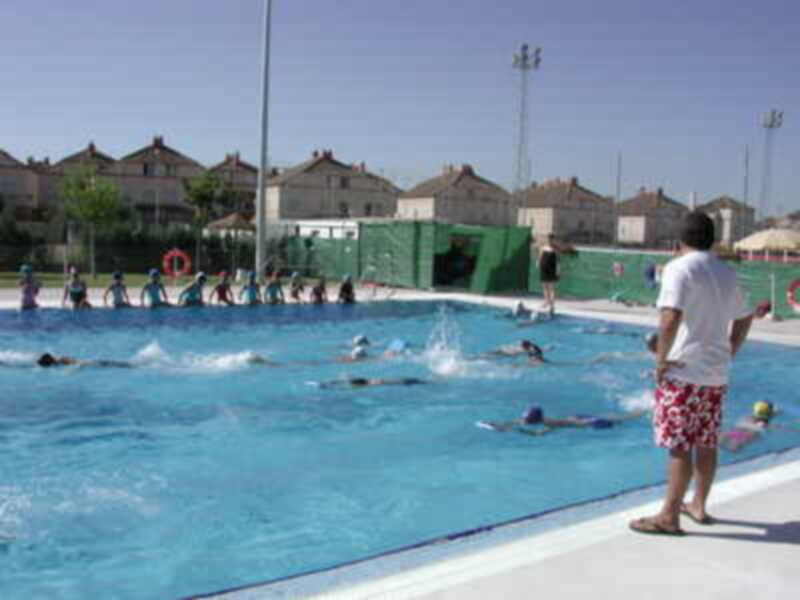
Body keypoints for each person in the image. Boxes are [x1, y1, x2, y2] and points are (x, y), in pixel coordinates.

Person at [630, 211, 753, 536]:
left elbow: (670, 317)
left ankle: (669, 516)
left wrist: (661, 359)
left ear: (678, 242)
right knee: (706, 441)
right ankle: (698, 505)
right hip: (715, 373)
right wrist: (730, 350)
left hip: (683, 371)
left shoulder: (678, 268)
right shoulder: (726, 272)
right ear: (711, 239)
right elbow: (745, 317)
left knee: (679, 444)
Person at [477, 404, 646, 435]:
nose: (524, 421)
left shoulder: (548, 423)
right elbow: (515, 423)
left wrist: (522, 432)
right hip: (578, 418)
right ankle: (643, 409)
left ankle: (645, 410)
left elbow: (540, 434)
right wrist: (497, 425)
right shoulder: (539, 420)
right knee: (622, 417)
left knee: (624, 419)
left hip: (586, 422)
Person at [538, 234, 559, 315]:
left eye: (551, 239)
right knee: (544, 286)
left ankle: (552, 305)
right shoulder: (543, 247)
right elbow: (540, 256)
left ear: (553, 240)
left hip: (552, 269)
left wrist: (558, 270)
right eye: (548, 239)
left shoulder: (555, 249)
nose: (549, 241)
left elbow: (558, 260)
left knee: (552, 288)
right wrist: (539, 263)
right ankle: (546, 301)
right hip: (544, 269)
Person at [37, 352, 132, 369]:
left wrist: (69, 371)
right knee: (115, 364)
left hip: (91, 364)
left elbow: (76, 364)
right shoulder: (60, 360)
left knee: (115, 365)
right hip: (91, 363)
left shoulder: (61, 361)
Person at [318, 376, 427, 389]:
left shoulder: (370, 384)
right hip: (402, 380)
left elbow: (345, 385)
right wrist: (330, 382)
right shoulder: (369, 381)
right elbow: (346, 381)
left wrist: (328, 385)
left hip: (402, 382)